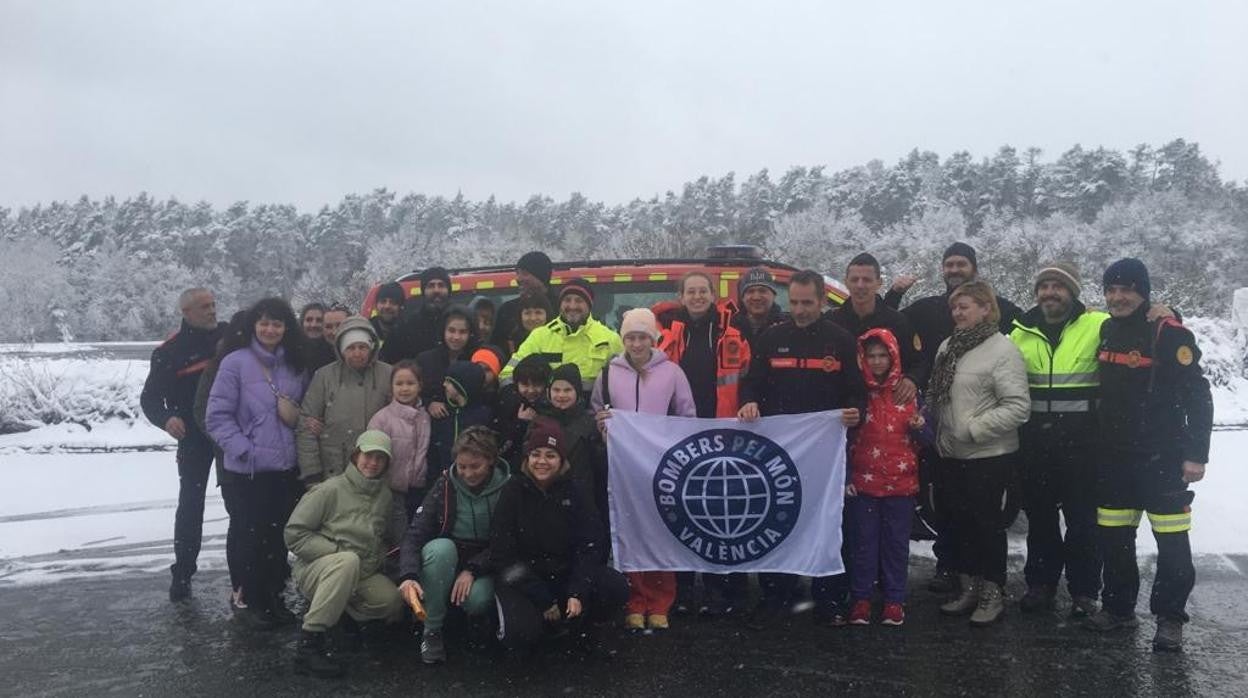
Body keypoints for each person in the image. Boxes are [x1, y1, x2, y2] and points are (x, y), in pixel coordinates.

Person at [1085, 259, 1212, 652]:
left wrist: (1196, 454)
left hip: (1162, 459)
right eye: (1111, 289)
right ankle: (1119, 609)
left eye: (1127, 290)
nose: (1117, 297)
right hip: (1115, 460)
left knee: (1172, 544)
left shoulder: (1169, 333)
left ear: (1144, 293)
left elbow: (1199, 396)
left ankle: (1170, 619)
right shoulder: (1106, 329)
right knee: (1115, 540)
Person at [883, 242, 1022, 593]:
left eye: (961, 263)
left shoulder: (1001, 321)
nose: (954, 269)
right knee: (946, 507)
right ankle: (951, 569)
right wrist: (894, 293)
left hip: (983, 441)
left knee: (984, 516)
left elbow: (1041, 321)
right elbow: (889, 324)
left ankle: (988, 585)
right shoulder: (932, 315)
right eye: (949, 264)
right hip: (940, 431)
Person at [737, 270, 865, 626]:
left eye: (807, 303)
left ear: (822, 301)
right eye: (794, 302)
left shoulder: (840, 340)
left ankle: (830, 598)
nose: (800, 309)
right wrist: (748, 404)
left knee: (826, 520)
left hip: (825, 453)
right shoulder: (771, 337)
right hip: (780, 452)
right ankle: (777, 594)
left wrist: (858, 412)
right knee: (779, 519)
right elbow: (751, 385)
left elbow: (857, 391)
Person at [1008, 263, 1107, 618]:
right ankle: (1041, 583)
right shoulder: (1019, 332)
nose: (1049, 292)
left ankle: (1083, 591)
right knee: (1041, 520)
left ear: (1073, 292)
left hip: (1083, 448)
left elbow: (1138, 328)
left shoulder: (1098, 325)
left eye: (1058, 286)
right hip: (1035, 448)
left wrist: (1162, 312)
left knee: (1083, 522)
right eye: (1044, 286)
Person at [929, 281, 1030, 627]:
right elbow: (938, 395)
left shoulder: (1003, 350)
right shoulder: (947, 346)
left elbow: (1018, 406)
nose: (957, 313)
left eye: (965, 307)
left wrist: (973, 430)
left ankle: (992, 592)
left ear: (986, 309)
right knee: (958, 525)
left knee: (987, 527)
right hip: (950, 454)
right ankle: (968, 586)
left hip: (989, 455)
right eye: (955, 308)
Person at [591, 308, 697, 632]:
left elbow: (687, 415)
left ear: (653, 338)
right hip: (623, 467)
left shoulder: (673, 372)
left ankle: (661, 601)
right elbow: (597, 407)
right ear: (623, 339)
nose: (637, 344)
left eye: (643, 337)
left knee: (662, 533)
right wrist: (603, 425)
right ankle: (635, 600)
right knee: (630, 533)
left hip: (663, 467)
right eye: (631, 337)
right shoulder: (610, 372)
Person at [205, 297, 308, 628]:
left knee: (277, 539)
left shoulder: (295, 364)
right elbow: (217, 416)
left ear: (286, 328)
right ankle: (249, 599)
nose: (270, 329)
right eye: (264, 322)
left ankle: (274, 597)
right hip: (247, 471)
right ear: (253, 325)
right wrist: (243, 448)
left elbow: (304, 410)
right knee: (250, 537)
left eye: (277, 323)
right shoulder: (235, 362)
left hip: (285, 470)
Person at [654, 272, 751, 616]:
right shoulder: (666, 333)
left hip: (722, 432)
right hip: (680, 434)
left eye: (702, 291)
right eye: (690, 291)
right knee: (682, 509)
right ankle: (681, 588)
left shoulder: (733, 332)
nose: (696, 296)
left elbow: (749, 377)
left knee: (720, 510)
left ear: (713, 294)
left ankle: (720, 587)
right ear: (681, 295)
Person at [489, 419, 629, 655]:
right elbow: (503, 553)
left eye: (550, 455)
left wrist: (577, 590)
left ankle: (583, 625)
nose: (542, 462)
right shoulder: (513, 490)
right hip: (524, 578)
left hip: (565, 573)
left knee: (615, 586)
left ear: (562, 460)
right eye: (536, 454)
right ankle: (537, 625)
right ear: (527, 458)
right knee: (520, 635)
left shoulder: (576, 490)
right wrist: (541, 597)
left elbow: (591, 545)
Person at [285, 431, 405, 678]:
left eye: (380, 458)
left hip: (360, 571)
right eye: (367, 455)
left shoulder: (385, 496)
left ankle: (341, 617)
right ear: (355, 455)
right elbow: (294, 534)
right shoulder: (328, 490)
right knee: (347, 561)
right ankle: (308, 647)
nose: (372, 463)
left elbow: (384, 538)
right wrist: (337, 552)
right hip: (317, 569)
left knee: (391, 601)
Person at [140, 287, 225, 602]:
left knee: (241, 505)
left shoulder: (229, 336)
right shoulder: (169, 351)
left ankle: (249, 573)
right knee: (191, 504)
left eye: (214, 304)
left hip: (230, 432)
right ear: (186, 312)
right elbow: (149, 399)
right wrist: (166, 420)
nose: (213, 311)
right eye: (205, 306)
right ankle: (184, 573)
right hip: (193, 438)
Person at [398, 427, 511, 664]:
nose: (467, 474)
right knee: (440, 549)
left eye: (475, 466)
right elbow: (416, 531)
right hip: (449, 553)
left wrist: (473, 569)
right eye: (462, 467)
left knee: (477, 599)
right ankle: (432, 629)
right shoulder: (445, 484)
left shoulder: (509, 488)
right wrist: (407, 575)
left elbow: (508, 541)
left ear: (491, 461)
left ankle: (474, 619)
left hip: (487, 559)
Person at [845, 329, 929, 627]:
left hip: (901, 483)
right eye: (871, 356)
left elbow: (928, 439)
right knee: (863, 544)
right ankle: (861, 599)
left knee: (895, 545)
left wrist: (920, 427)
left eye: (883, 356)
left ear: (893, 357)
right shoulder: (857, 393)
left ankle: (894, 600)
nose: (877, 362)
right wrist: (845, 476)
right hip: (863, 483)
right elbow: (842, 438)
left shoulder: (908, 392)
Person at [193, 311, 248, 613]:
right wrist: (231, 442)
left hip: (266, 464)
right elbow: (203, 412)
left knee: (266, 526)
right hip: (231, 464)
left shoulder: (267, 364)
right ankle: (240, 583)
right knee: (241, 525)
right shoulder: (217, 367)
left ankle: (266, 580)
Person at [297, 316, 393, 484]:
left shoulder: (388, 374)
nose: (357, 353)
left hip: (378, 471)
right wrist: (312, 473)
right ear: (341, 350)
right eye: (351, 348)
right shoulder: (324, 377)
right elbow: (306, 425)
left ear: (371, 348)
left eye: (362, 347)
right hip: (335, 472)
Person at [829, 253, 927, 404]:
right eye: (855, 280)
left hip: (886, 408)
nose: (860, 285)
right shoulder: (832, 321)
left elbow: (918, 362)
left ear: (879, 283)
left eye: (867, 280)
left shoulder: (897, 322)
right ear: (846, 282)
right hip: (843, 405)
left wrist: (912, 380)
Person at [500, 277, 622, 394]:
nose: (572, 306)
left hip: (593, 413)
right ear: (560, 303)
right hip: (549, 414)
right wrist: (516, 400)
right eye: (567, 300)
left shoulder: (610, 339)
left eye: (579, 301)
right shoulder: (540, 336)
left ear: (589, 305)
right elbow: (507, 374)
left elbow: (625, 380)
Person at [367, 360, 432, 545]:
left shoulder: (426, 416)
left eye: (410, 383)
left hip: (419, 489)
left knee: (417, 537)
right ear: (391, 387)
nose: (405, 389)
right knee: (399, 539)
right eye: (399, 383)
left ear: (420, 386)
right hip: (390, 490)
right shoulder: (382, 419)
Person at [537, 363, 604, 512]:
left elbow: (598, 464)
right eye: (556, 390)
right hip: (545, 496)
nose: (561, 395)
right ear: (549, 392)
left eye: (567, 390)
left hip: (580, 497)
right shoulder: (538, 421)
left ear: (577, 392)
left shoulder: (589, 424)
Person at [428, 360, 494, 477]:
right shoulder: (442, 412)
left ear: (461, 385)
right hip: (443, 476)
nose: (444, 385)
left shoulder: (484, 415)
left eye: (449, 382)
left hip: (472, 475)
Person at [380, 266, 453, 363]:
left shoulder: (461, 321)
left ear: (448, 290)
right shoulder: (406, 327)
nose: (436, 290)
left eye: (441, 285)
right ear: (423, 291)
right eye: (431, 286)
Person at [490, 251, 557, 349]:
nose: (518, 279)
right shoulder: (507, 310)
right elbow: (496, 349)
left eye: (524, 274)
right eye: (517, 273)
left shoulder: (563, 308)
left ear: (541, 278)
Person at [496, 354, 552, 468]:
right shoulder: (508, 402)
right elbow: (501, 448)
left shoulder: (551, 406)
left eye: (536, 385)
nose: (530, 390)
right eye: (525, 385)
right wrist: (520, 423)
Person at [731, 266, 788, 346]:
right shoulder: (730, 327)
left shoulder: (786, 327)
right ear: (742, 297)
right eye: (750, 291)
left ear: (774, 295)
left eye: (762, 291)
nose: (756, 297)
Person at [507, 290, 553, 356]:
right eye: (527, 313)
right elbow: (512, 364)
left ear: (547, 316)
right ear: (520, 317)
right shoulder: (512, 342)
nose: (533, 318)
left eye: (538, 312)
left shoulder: (557, 339)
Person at [307, 304, 350, 371]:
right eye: (328, 327)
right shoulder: (313, 358)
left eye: (339, 325)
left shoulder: (365, 354)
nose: (334, 332)